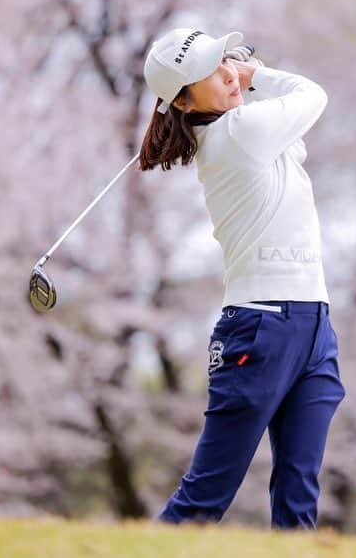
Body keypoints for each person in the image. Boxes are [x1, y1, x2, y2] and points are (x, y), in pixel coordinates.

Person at [139, 27, 345, 529]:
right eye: (209, 73)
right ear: (184, 104)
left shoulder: (247, 130)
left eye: (224, 61)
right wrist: (256, 75)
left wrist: (239, 80)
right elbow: (311, 94)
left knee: (299, 492)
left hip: (313, 324)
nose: (228, 74)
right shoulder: (238, 135)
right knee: (206, 495)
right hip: (262, 327)